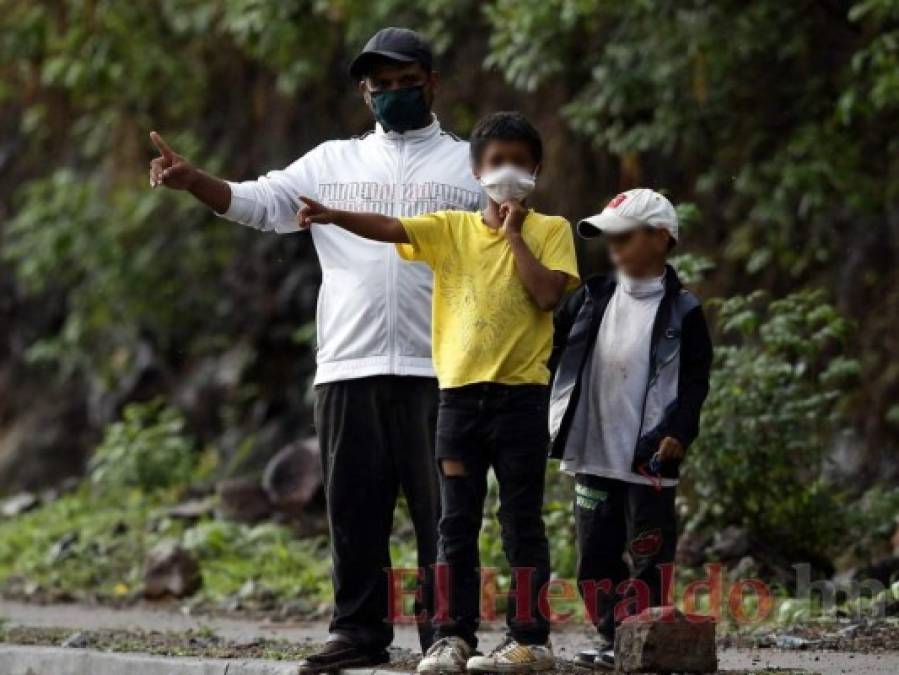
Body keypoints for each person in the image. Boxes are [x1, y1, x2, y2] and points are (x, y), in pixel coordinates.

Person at [148, 27, 483, 673]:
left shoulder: (470, 164)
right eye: (378, 86)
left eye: (403, 82)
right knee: (353, 509)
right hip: (348, 365)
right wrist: (196, 181)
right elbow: (259, 201)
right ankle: (357, 632)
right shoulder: (331, 162)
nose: (391, 94)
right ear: (363, 92)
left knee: (443, 513)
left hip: (442, 365)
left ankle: (447, 633)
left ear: (432, 82)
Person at [297, 111, 580, 673]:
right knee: (455, 522)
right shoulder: (450, 227)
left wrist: (515, 235)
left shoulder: (552, 231)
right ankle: (452, 637)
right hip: (457, 405)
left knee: (522, 521)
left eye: (519, 163)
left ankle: (531, 639)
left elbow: (549, 296)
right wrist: (333, 216)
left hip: (521, 401)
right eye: (496, 162)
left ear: (536, 171)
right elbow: (391, 229)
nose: (507, 172)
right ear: (475, 171)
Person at [548, 189, 713, 670]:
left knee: (649, 551)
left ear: (661, 238)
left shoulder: (684, 311)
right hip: (594, 449)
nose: (613, 246)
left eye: (625, 236)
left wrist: (679, 432)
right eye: (608, 237)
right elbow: (551, 350)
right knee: (594, 555)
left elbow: (696, 380)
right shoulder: (591, 298)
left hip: (651, 457)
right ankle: (610, 635)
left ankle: (644, 640)